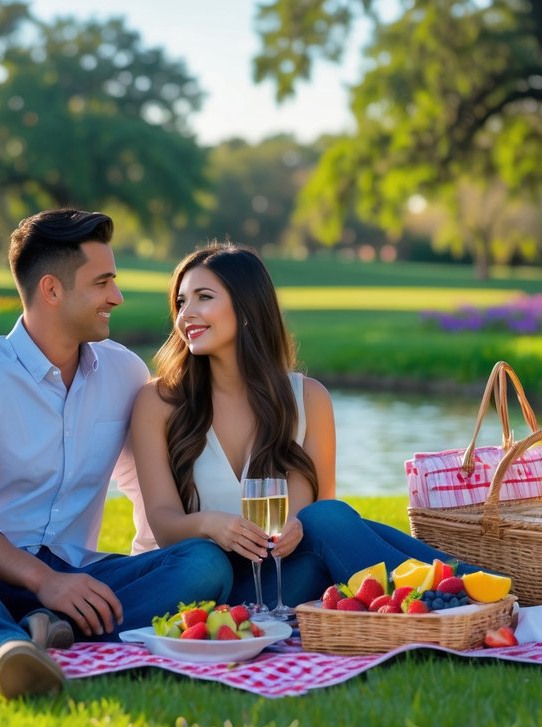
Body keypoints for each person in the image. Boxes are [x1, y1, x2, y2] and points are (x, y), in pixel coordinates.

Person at [0, 210, 233, 700]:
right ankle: (0, 653)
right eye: (103, 283)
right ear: (51, 290)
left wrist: (150, 571)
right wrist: (42, 579)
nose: (116, 297)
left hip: (73, 576)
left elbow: (142, 486)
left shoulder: (124, 372)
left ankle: (45, 627)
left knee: (204, 563)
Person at [127, 243, 478, 609]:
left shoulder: (308, 399)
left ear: (247, 307)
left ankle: (456, 594)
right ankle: (463, 592)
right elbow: (164, 524)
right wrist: (211, 525)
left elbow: (315, 513)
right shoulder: (159, 402)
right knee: (346, 531)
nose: (187, 315)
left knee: (328, 519)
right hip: (204, 586)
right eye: (181, 302)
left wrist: (293, 527)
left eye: (203, 297)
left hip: (277, 582)